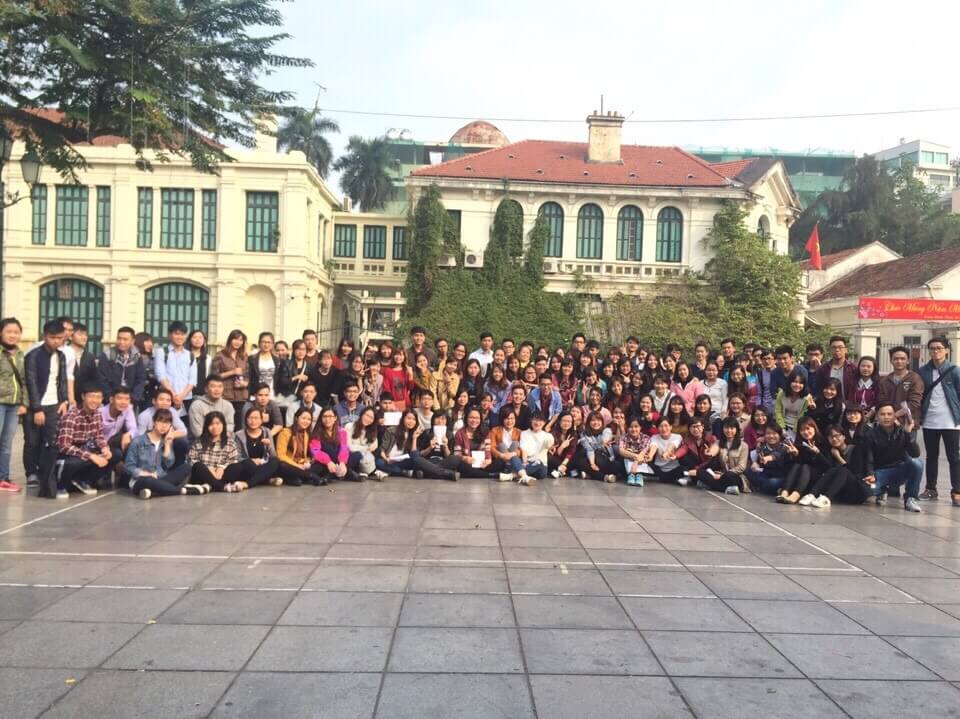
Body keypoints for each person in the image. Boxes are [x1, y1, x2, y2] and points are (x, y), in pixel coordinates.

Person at [23, 319, 69, 489]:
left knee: (50, 441)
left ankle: (45, 472)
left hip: (54, 405)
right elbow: (31, 382)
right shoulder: (33, 356)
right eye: (52, 338)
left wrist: (64, 400)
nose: (56, 341)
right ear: (45, 337)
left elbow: (62, 380)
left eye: (60, 338)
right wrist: (36, 408)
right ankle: (31, 473)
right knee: (32, 441)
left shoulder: (61, 356)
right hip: (36, 406)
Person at [54, 385, 121, 499]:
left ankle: (83, 480)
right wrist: (91, 456)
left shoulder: (97, 414)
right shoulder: (71, 416)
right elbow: (64, 446)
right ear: (83, 397)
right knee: (75, 462)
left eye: (98, 397)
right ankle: (61, 485)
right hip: (65, 454)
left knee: (115, 454)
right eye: (91, 396)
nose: (95, 400)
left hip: (84, 449)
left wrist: (105, 448)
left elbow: (98, 435)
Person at [125, 408, 206, 499]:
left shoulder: (165, 441)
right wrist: (145, 473)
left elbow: (168, 465)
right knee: (149, 481)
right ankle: (183, 490)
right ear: (154, 422)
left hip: (161, 478)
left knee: (187, 467)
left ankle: (154, 491)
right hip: (141, 480)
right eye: (160, 421)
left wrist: (167, 445)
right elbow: (129, 467)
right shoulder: (138, 441)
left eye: (167, 423)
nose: (163, 426)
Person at [917, 336, 960, 505]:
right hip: (930, 421)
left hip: (950, 421)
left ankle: (957, 491)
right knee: (931, 456)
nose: (935, 351)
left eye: (939, 348)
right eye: (932, 348)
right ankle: (930, 489)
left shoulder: (955, 370)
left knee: (954, 457)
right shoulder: (923, 371)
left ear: (946, 350)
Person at [861, 402, 923, 512]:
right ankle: (881, 491)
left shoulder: (902, 432)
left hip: (899, 470)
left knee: (917, 463)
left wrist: (908, 433)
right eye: (882, 414)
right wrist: (870, 474)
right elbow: (869, 458)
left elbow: (915, 454)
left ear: (895, 416)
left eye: (889, 414)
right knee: (868, 490)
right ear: (877, 417)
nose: (886, 417)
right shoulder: (871, 435)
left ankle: (911, 498)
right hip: (880, 473)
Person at [378, 409, 458, 480]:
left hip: (439, 462)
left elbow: (449, 456)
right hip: (426, 461)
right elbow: (382, 449)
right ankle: (446, 473)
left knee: (454, 459)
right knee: (379, 462)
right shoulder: (426, 433)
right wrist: (430, 447)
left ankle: (426, 472)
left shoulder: (449, 435)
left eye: (413, 419)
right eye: (408, 418)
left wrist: (445, 446)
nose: (440, 421)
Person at [802, 425, 869, 508]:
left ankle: (826, 498)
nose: (834, 439)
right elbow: (828, 470)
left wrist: (838, 457)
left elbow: (856, 472)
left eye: (837, 435)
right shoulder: (831, 451)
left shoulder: (855, 449)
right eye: (830, 437)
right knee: (833, 469)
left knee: (843, 470)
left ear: (844, 436)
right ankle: (812, 495)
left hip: (856, 492)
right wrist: (818, 453)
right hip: (841, 494)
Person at [0, 318, 27, 492]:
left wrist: (24, 403)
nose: (12, 335)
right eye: (8, 331)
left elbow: (24, 380)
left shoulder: (20, 355)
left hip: (14, 405)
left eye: (16, 332)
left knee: (6, 444)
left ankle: (3, 478)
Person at [777, 416, 831, 505]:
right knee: (797, 465)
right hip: (802, 478)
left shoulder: (823, 442)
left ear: (814, 428)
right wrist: (796, 454)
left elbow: (828, 465)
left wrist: (818, 453)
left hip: (818, 477)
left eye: (808, 428)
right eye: (802, 430)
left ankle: (796, 495)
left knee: (806, 466)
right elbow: (798, 464)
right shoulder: (800, 444)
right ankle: (784, 492)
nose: (805, 432)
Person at [187, 411, 244, 492]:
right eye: (211, 424)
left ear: (223, 425)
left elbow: (234, 460)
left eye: (218, 423)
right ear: (206, 426)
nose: (214, 427)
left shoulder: (230, 443)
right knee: (197, 466)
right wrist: (209, 469)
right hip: (204, 475)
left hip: (221, 475)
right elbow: (191, 460)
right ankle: (222, 487)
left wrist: (221, 468)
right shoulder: (198, 442)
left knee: (237, 466)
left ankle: (211, 486)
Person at [275, 407, 328, 486]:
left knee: (321, 464)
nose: (306, 421)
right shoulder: (285, 432)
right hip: (290, 464)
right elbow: (281, 455)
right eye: (303, 418)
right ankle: (311, 476)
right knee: (282, 465)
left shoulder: (307, 434)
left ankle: (297, 478)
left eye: (309, 419)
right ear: (296, 418)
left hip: (302, 464)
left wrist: (307, 461)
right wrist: (297, 466)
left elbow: (308, 455)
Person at [154, 321, 197, 417]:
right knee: (164, 423)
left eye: (182, 334)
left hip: (186, 398)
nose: (179, 337)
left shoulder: (190, 355)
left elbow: (192, 380)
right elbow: (161, 375)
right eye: (176, 334)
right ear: (170, 335)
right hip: (166, 398)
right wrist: (174, 395)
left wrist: (181, 396)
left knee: (184, 425)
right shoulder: (162, 352)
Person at [234, 406, 282, 490]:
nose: (253, 421)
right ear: (246, 419)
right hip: (248, 466)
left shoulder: (267, 432)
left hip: (263, 465)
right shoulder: (239, 435)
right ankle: (267, 479)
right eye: (250, 418)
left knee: (275, 461)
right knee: (247, 463)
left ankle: (247, 483)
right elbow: (237, 457)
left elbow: (273, 455)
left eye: (256, 418)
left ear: (261, 420)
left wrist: (269, 446)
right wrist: (253, 460)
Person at [699, 417, 749, 495]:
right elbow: (714, 450)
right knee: (701, 472)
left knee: (729, 476)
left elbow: (741, 467)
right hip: (721, 474)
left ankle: (713, 486)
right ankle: (728, 488)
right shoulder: (719, 442)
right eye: (726, 428)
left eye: (732, 428)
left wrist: (723, 475)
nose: (729, 431)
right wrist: (710, 453)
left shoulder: (744, 446)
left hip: (735, 476)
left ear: (736, 429)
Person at [877, 345, 924, 429]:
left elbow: (914, 403)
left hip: (908, 424)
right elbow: (881, 401)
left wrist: (895, 415)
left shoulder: (915, 378)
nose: (899, 361)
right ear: (891, 361)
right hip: (887, 425)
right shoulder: (884, 381)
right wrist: (890, 416)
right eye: (896, 359)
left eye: (902, 359)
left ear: (908, 361)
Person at [97, 326, 146, 405]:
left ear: (132, 341)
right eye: (119, 338)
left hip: (130, 400)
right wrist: (110, 397)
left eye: (125, 339)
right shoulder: (107, 355)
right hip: (110, 400)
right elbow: (102, 379)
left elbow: (140, 379)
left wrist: (133, 398)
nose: (121, 342)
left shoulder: (137, 356)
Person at [309, 407, 360, 482]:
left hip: (339, 461)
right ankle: (347, 472)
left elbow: (344, 448)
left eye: (330, 416)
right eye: (324, 416)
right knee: (327, 450)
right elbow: (316, 452)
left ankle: (330, 476)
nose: (327, 419)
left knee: (357, 455)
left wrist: (342, 462)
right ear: (321, 418)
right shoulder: (316, 433)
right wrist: (328, 462)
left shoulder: (342, 431)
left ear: (335, 418)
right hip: (324, 462)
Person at [211, 329, 249, 428]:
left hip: (241, 396)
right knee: (225, 423)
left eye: (240, 340)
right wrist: (232, 372)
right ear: (230, 340)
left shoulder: (244, 356)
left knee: (239, 425)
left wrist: (245, 383)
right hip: (226, 395)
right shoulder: (220, 355)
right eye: (235, 339)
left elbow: (248, 375)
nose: (238, 342)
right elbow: (214, 376)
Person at [99, 387, 138, 483]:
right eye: (119, 398)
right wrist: (104, 446)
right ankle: (101, 476)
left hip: (112, 442)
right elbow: (96, 436)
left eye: (127, 399)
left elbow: (134, 429)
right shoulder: (100, 412)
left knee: (134, 442)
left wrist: (128, 434)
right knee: (117, 453)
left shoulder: (128, 409)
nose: (123, 402)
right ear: (111, 399)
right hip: (98, 444)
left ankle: (126, 479)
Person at [575, 410, 619, 482]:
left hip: (606, 459)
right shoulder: (584, 434)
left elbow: (605, 439)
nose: (596, 423)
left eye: (598, 420)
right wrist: (592, 464)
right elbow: (589, 449)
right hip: (593, 459)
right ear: (589, 422)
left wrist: (603, 442)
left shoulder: (606, 430)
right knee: (582, 461)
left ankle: (590, 474)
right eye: (593, 420)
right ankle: (605, 477)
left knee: (616, 465)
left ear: (602, 422)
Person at [747, 424, 789, 495]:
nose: (771, 436)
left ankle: (763, 487)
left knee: (772, 482)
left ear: (780, 435)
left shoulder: (784, 447)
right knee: (749, 471)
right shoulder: (763, 446)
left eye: (774, 433)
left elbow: (777, 455)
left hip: (779, 476)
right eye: (768, 433)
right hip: (765, 474)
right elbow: (759, 462)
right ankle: (765, 488)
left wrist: (768, 458)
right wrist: (756, 464)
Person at [345, 406, 381, 479]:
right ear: (362, 414)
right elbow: (349, 446)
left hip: (365, 459)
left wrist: (367, 449)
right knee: (357, 455)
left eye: (371, 418)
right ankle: (364, 472)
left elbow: (374, 446)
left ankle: (366, 472)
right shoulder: (349, 426)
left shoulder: (372, 431)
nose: (368, 419)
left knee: (377, 453)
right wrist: (366, 448)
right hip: (351, 456)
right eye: (367, 415)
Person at [775, 370, 813, 437]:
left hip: (798, 427)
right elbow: (778, 411)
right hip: (782, 424)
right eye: (795, 382)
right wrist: (782, 428)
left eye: (801, 383)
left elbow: (802, 415)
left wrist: (794, 431)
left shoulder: (807, 398)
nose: (797, 385)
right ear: (790, 382)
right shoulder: (781, 394)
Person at [69, 324, 98, 406]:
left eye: (85, 335)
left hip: (84, 401)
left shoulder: (90, 357)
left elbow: (93, 379)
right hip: (66, 400)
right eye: (80, 334)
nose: (84, 337)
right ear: (70, 337)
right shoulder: (63, 354)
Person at [619, 418, 654, 487]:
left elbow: (643, 452)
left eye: (636, 426)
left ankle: (639, 475)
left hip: (641, 460)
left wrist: (636, 462)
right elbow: (621, 451)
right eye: (631, 427)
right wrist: (634, 455)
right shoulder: (624, 437)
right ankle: (631, 475)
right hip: (628, 459)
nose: (633, 429)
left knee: (644, 457)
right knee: (626, 457)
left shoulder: (645, 438)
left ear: (640, 427)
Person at [490, 408, 523, 481]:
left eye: (512, 418)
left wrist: (512, 454)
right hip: (501, 458)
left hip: (514, 458)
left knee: (515, 444)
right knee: (501, 445)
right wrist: (501, 455)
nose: (509, 421)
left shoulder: (520, 432)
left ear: (515, 419)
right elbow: (492, 447)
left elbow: (523, 449)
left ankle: (508, 468)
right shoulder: (495, 430)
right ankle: (511, 470)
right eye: (507, 418)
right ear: (502, 419)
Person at [648, 417, 684, 484]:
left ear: (671, 427)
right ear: (657, 428)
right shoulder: (654, 437)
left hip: (674, 468)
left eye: (666, 426)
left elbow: (672, 445)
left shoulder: (677, 436)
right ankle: (669, 479)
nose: (664, 429)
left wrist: (666, 453)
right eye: (661, 426)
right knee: (648, 465)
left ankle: (662, 478)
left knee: (683, 468)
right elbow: (654, 446)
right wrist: (650, 456)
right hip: (658, 468)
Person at [247, 332, 280, 399]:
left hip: (271, 395)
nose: (266, 345)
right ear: (259, 343)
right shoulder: (252, 359)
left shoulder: (277, 360)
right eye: (264, 342)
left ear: (273, 344)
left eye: (269, 342)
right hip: (255, 396)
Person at [548, 412, 579, 478]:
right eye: (564, 421)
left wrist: (564, 464)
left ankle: (560, 470)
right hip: (556, 459)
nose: (566, 423)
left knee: (579, 454)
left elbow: (571, 452)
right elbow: (555, 454)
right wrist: (562, 446)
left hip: (567, 460)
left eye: (569, 421)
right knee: (549, 457)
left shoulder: (573, 434)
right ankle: (564, 471)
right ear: (559, 421)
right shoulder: (553, 433)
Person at [848, 356, 879, 422]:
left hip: (873, 418)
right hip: (855, 416)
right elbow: (850, 401)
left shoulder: (878, 384)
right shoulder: (853, 383)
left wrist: (868, 415)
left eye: (869, 366)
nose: (865, 368)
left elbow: (878, 402)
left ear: (874, 368)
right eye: (863, 366)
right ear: (859, 367)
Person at [134, 331, 159, 412]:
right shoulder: (132, 358)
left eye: (151, 342)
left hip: (149, 394)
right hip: (135, 394)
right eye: (147, 341)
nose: (150, 344)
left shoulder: (154, 358)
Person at [187, 329, 211, 399]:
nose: (198, 340)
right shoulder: (185, 356)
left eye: (200, 337)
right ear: (190, 340)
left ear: (204, 341)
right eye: (195, 337)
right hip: (186, 394)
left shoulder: (208, 358)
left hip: (202, 395)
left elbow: (209, 377)